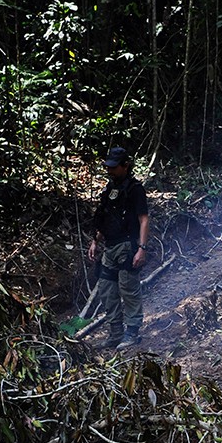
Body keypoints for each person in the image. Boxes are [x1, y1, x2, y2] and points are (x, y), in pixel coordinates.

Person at [87, 147, 150, 350]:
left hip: (127, 245)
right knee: (106, 289)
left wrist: (142, 248)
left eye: (114, 167)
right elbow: (105, 217)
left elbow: (144, 219)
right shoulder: (109, 189)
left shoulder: (135, 189)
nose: (110, 171)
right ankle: (115, 332)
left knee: (128, 288)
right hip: (110, 246)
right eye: (108, 167)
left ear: (126, 166)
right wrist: (95, 241)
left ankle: (132, 332)